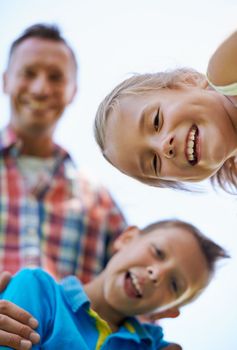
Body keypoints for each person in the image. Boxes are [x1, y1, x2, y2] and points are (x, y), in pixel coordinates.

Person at [0, 23, 127, 348]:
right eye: (28, 73)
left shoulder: (98, 200)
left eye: (56, 77)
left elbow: (129, 292)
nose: (41, 88)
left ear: (72, 91)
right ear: (5, 81)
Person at [0, 219, 228, 349]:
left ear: (167, 310)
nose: (156, 273)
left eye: (175, 285)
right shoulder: (38, 289)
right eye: (157, 252)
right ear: (127, 238)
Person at [94, 30, 237, 194]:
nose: (163, 147)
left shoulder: (225, 71)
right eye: (154, 162)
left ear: (187, 80)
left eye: (156, 121)